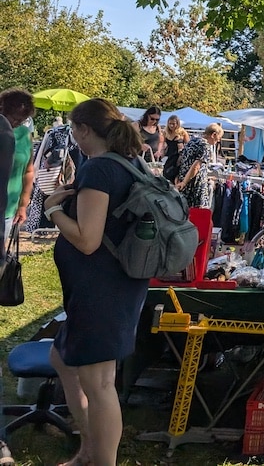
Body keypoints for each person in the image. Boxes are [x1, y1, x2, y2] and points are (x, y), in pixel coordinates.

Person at [40, 98, 151, 466]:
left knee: (100, 383)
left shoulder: (100, 169)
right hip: (111, 285)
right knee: (63, 358)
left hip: (101, 288)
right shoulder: (129, 162)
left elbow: (88, 239)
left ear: (85, 130)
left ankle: (102, 460)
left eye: (74, 130)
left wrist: (53, 210)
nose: (74, 137)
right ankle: (88, 450)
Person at [0, 89, 36, 241]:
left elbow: (28, 171)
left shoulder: (24, 134)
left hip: (9, 210)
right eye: (14, 118)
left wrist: (23, 204)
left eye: (21, 120)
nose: (16, 123)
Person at [174, 123, 222, 210]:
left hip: (182, 179)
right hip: (195, 185)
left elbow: (181, 159)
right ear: (213, 135)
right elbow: (196, 166)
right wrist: (184, 182)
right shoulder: (205, 146)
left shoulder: (192, 141)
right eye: (217, 139)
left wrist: (180, 179)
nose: (217, 142)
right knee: (197, 214)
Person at [161, 114, 189, 182]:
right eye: (170, 124)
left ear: (177, 123)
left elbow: (188, 144)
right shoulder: (165, 132)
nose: (171, 126)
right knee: (166, 173)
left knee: (177, 175)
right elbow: (162, 144)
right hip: (169, 155)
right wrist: (161, 152)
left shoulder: (182, 132)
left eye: (173, 124)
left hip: (179, 156)